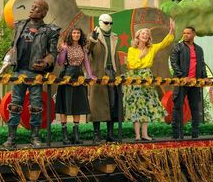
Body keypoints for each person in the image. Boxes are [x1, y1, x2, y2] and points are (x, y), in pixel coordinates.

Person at [3, 0, 60, 148]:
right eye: (32, 6)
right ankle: (11, 138)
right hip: (19, 71)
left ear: (43, 13)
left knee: (36, 106)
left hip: (35, 72)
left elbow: (53, 52)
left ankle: (35, 137)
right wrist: (7, 59)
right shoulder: (20, 25)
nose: (32, 8)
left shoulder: (49, 30)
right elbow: (12, 46)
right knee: (15, 105)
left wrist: (46, 62)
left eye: (36, 7)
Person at [124, 19, 175, 141]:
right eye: (143, 34)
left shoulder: (152, 48)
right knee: (136, 106)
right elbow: (131, 65)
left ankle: (145, 134)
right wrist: (141, 56)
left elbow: (164, 43)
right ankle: (137, 135)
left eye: (147, 35)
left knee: (146, 105)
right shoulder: (132, 50)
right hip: (135, 78)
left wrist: (171, 31)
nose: (145, 36)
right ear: (138, 36)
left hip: (147, 76)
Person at [56, 27, 95, 144]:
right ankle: (64, 136)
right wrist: (63, 51)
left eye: (78, 32)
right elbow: (60, 62)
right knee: (65, 105)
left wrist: (90, 75)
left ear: (80, 35)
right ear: (70, 34)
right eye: (74, 32)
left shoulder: (83, 47)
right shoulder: (65, 46)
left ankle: (76, 135)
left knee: (77, 104)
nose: (76, 34)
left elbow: (86, 62)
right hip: (67, 75)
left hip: (79, 75)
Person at [88, 14, 123, 143]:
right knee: (96, 104)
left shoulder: (114, 37)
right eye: (106, 23)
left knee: (112, 103)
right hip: (98, 73)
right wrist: (92, 39)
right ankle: (96, 134)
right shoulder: (94, 35)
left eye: (110, 23)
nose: (108, 25)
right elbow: (87, 51)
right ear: (100, 22)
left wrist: (119, 72)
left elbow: (116, 58)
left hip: (112, 72)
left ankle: (110, 133)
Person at [170, 26, 207, 139]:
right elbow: (174, 63)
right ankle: (176, 134)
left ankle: (195, 134)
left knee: (195, 107)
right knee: (177, 106)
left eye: (188, 33)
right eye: (184, 33)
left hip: (195, 83)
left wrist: (204, 77)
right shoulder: (178, 47)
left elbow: (202, 64)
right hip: (181, 82)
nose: (185, 35)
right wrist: (183, 76)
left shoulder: (199, 49)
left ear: (194, 34)